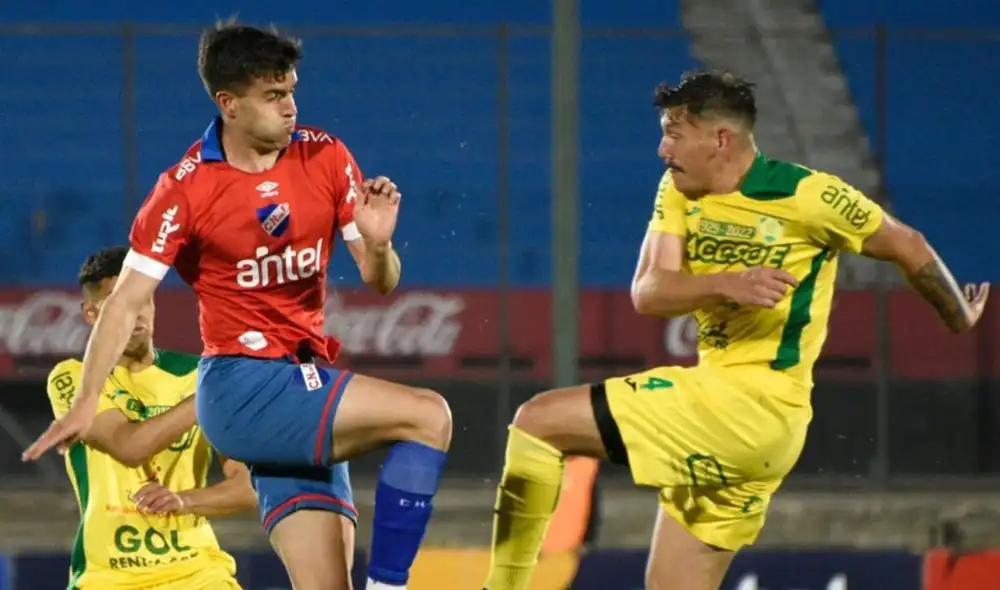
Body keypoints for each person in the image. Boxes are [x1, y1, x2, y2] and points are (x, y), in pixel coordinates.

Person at [481, 69, 990, 590]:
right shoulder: (679, 189)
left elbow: (908, 244)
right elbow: (649, 291)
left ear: (719, 138)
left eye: (674, 134)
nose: (662, 149)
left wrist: (958, 315)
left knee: (537, 422)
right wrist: (727, 283)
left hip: (757, 405)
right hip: (731, 414)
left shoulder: (809, 196)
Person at [24, 20, 452, 590]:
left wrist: (377, 244)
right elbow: (125, 301)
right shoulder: (185, 188)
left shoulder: (325, 158)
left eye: (292, 90)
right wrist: (86, 401)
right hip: (241, 386)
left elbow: (382, 283)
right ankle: (392, 585)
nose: (290, 107)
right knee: (429, 415)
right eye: (273, 96)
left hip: (302, 386)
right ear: (228, 103)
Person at [46, 245, 257, 590]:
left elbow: (249, 487)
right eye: (118, 304)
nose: (135, 313)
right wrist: (211, 394)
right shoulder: (73, 379)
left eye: (141, 299)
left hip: (198, 574)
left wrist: (185, 500)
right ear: (91, 315)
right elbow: (130, 446)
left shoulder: (197, 375)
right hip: (106, 578)